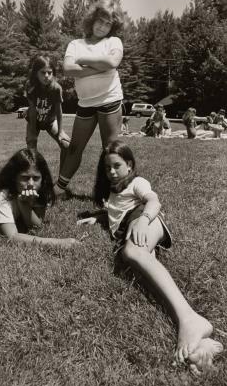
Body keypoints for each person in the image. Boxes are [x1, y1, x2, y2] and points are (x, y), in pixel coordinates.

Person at [78, 140, 223, 373]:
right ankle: (203, 345)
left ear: (130, 165)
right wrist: (99, 217)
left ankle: (190, 319)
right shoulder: (114, 193)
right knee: (142, 273)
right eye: (107, 168)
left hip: (144, 220)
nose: (112, 172)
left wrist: (145, 220)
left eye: (117, 165)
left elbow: (153, 200)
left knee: (132, 252)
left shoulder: (137, 182)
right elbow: (117, 212)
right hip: (130, 225)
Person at [54, 0, 124, 197]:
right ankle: (59, 189)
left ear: (113, 26)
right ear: (92, 20)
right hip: (85, 103)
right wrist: (99, 67)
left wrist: (83, 61)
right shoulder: (75, 44)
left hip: (110, 100)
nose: (103, 26)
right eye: (100, 20)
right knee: (75, 147)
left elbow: (112, 62)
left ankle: (111, 194)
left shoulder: (114, 42)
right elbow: (67, 69)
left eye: (108, 23)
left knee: (110, 150)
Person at [25, 55, 70, 170]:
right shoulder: (31, 86)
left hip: (50, 121)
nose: (46, 76)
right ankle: (33, 175)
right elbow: (33, 110)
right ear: (36, 73)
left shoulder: (56, 88)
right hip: (34, 121)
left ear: (53, 73)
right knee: (31, 147)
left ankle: (61, 180)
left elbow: (59, 112)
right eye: (43, 72)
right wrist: (33, 132)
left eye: (49, 72)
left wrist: (60, 132)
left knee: (66, 145)